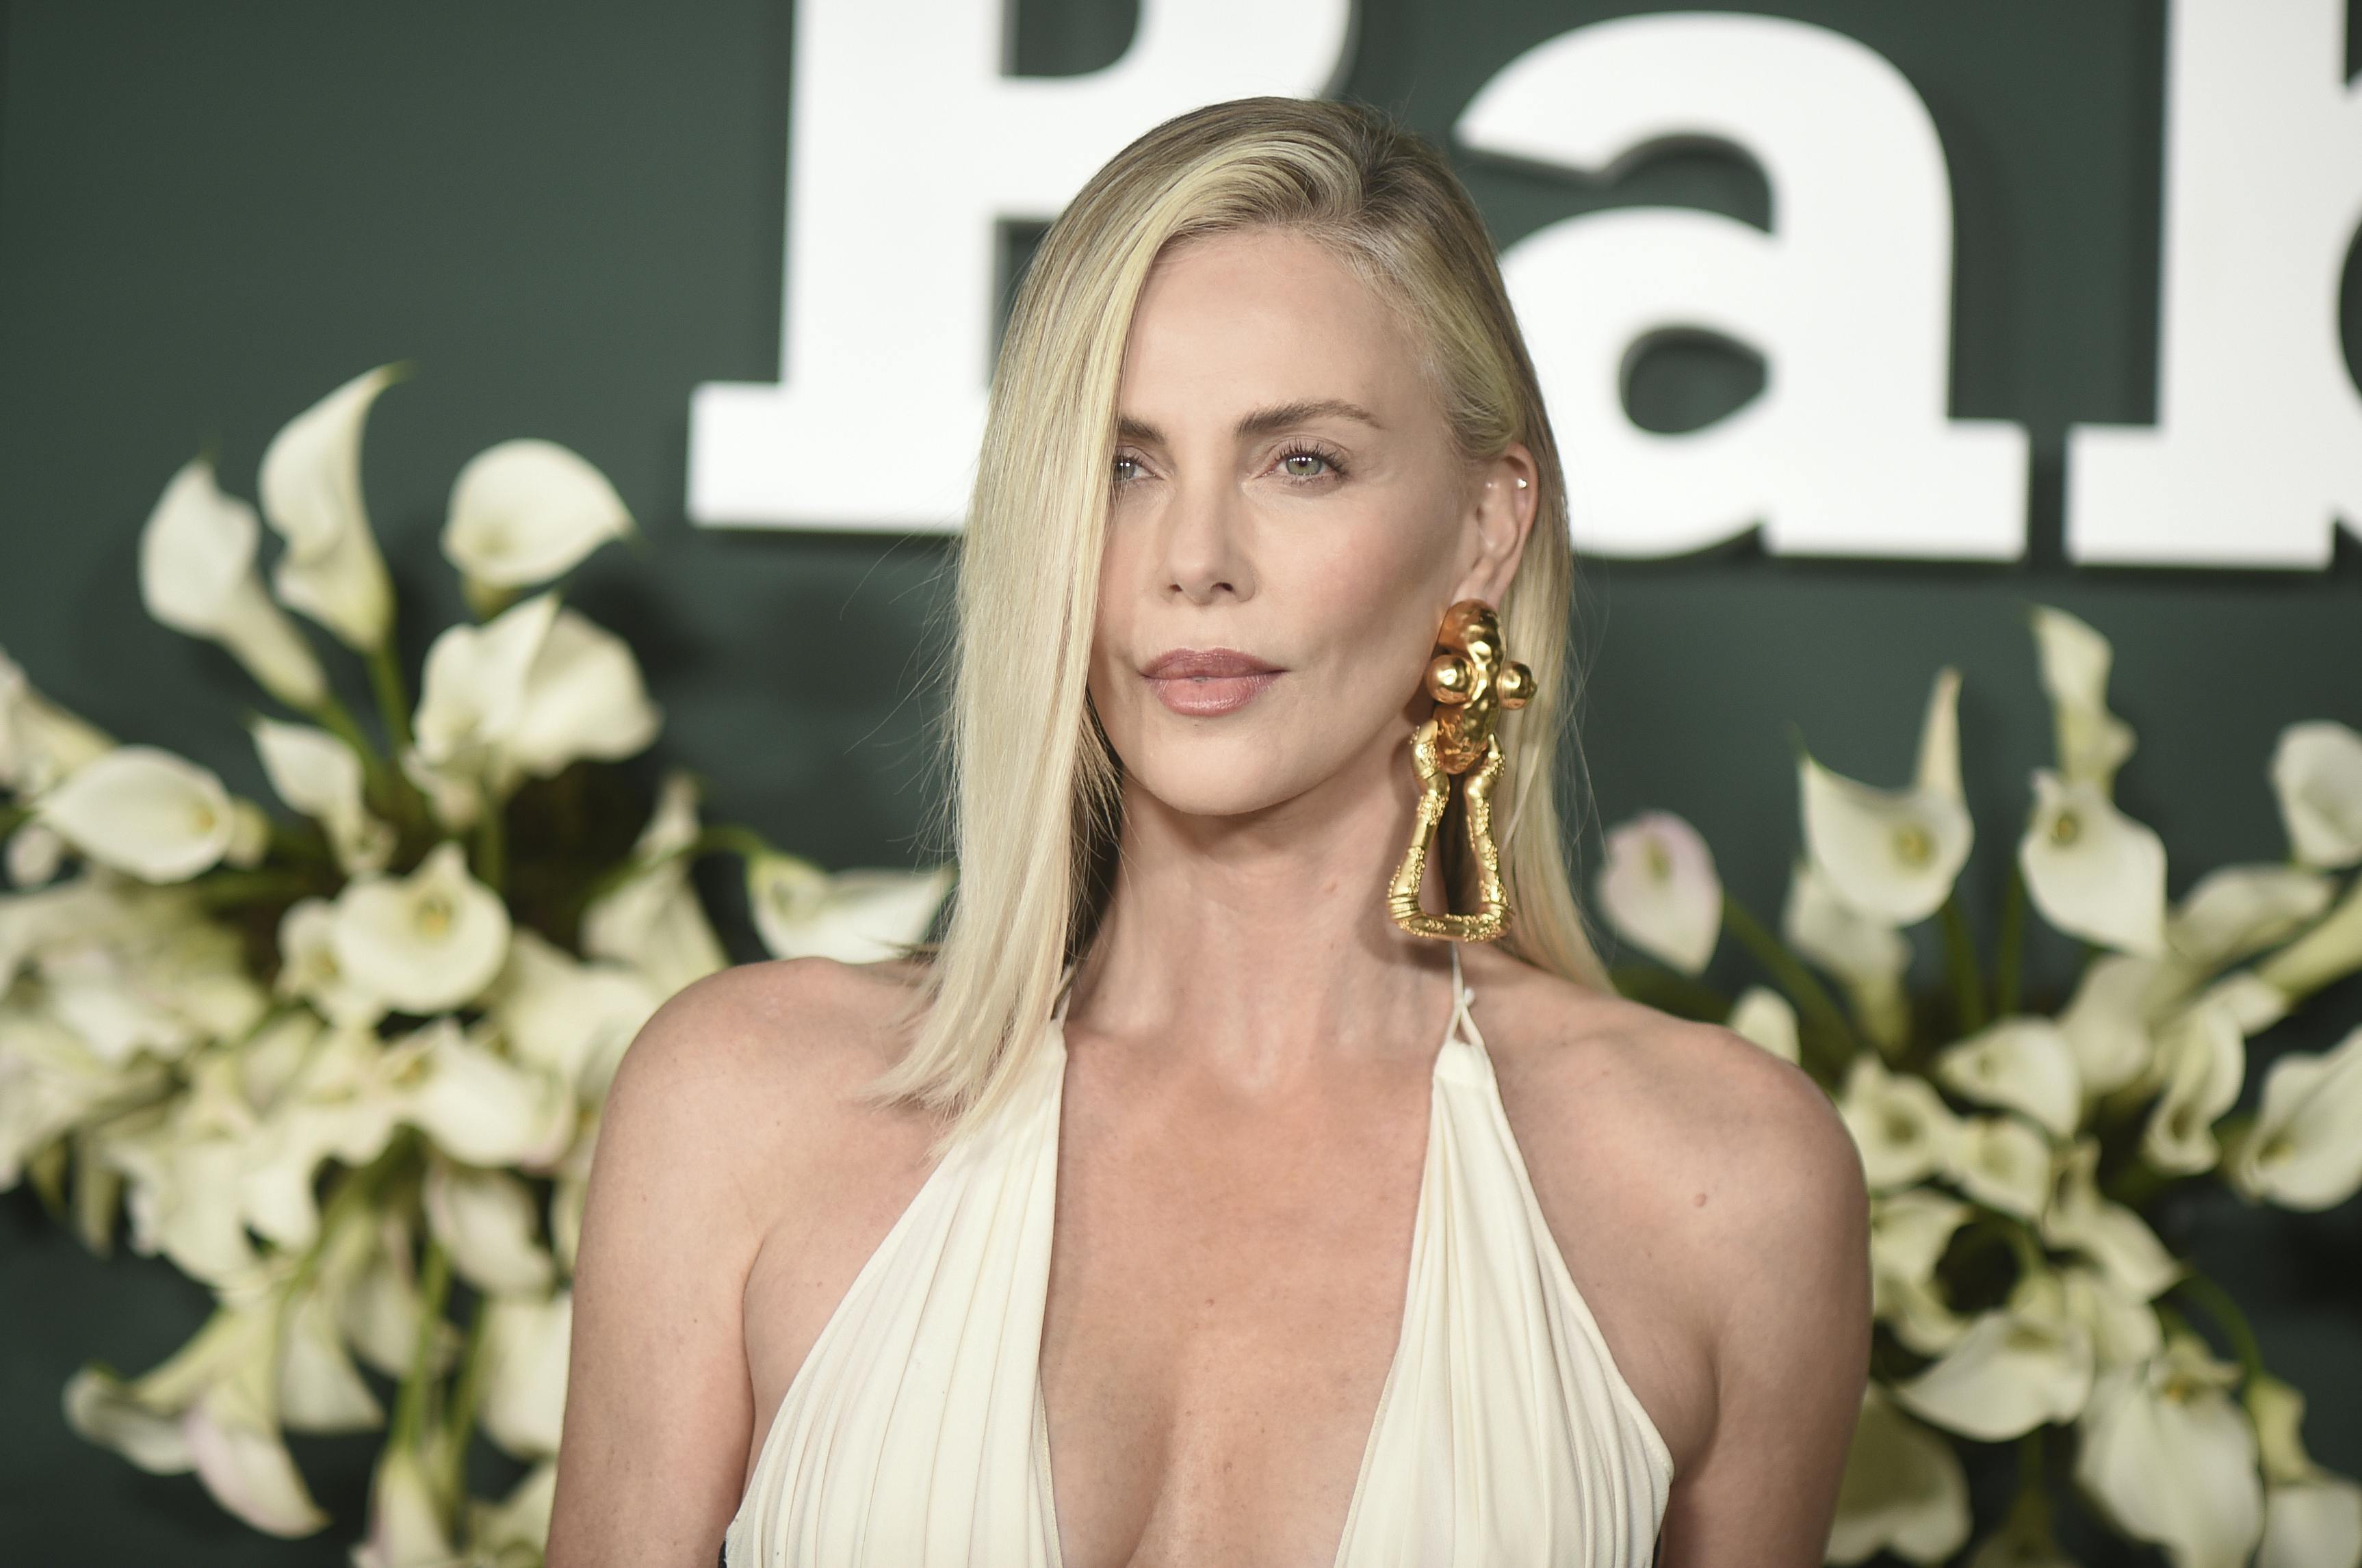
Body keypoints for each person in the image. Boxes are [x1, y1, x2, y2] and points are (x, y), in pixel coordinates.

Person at [547, 97, 1870, 1568]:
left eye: (1299, 461)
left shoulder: (1717, 1184)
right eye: (1122, 467)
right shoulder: (743, 1108)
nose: (1193, 564)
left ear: (1485, 526)